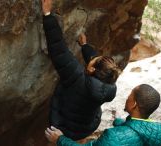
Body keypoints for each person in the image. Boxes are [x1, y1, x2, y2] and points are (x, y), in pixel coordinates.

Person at [41, 0, 122, 141]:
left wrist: (47, 15)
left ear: (91, 68)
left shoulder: (77, 77)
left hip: (63, 126)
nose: (94, 57)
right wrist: (84, 46)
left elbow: (58, 49)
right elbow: (96, 60)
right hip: (87, 126)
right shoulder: (109, 85)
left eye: (94, 60)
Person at [45, 84, 161, 146]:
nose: (127, 98)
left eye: (129, 97)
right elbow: (140, 131)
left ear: (134, 105)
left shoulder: (113, 137)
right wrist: (120, 123)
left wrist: (60, 139)